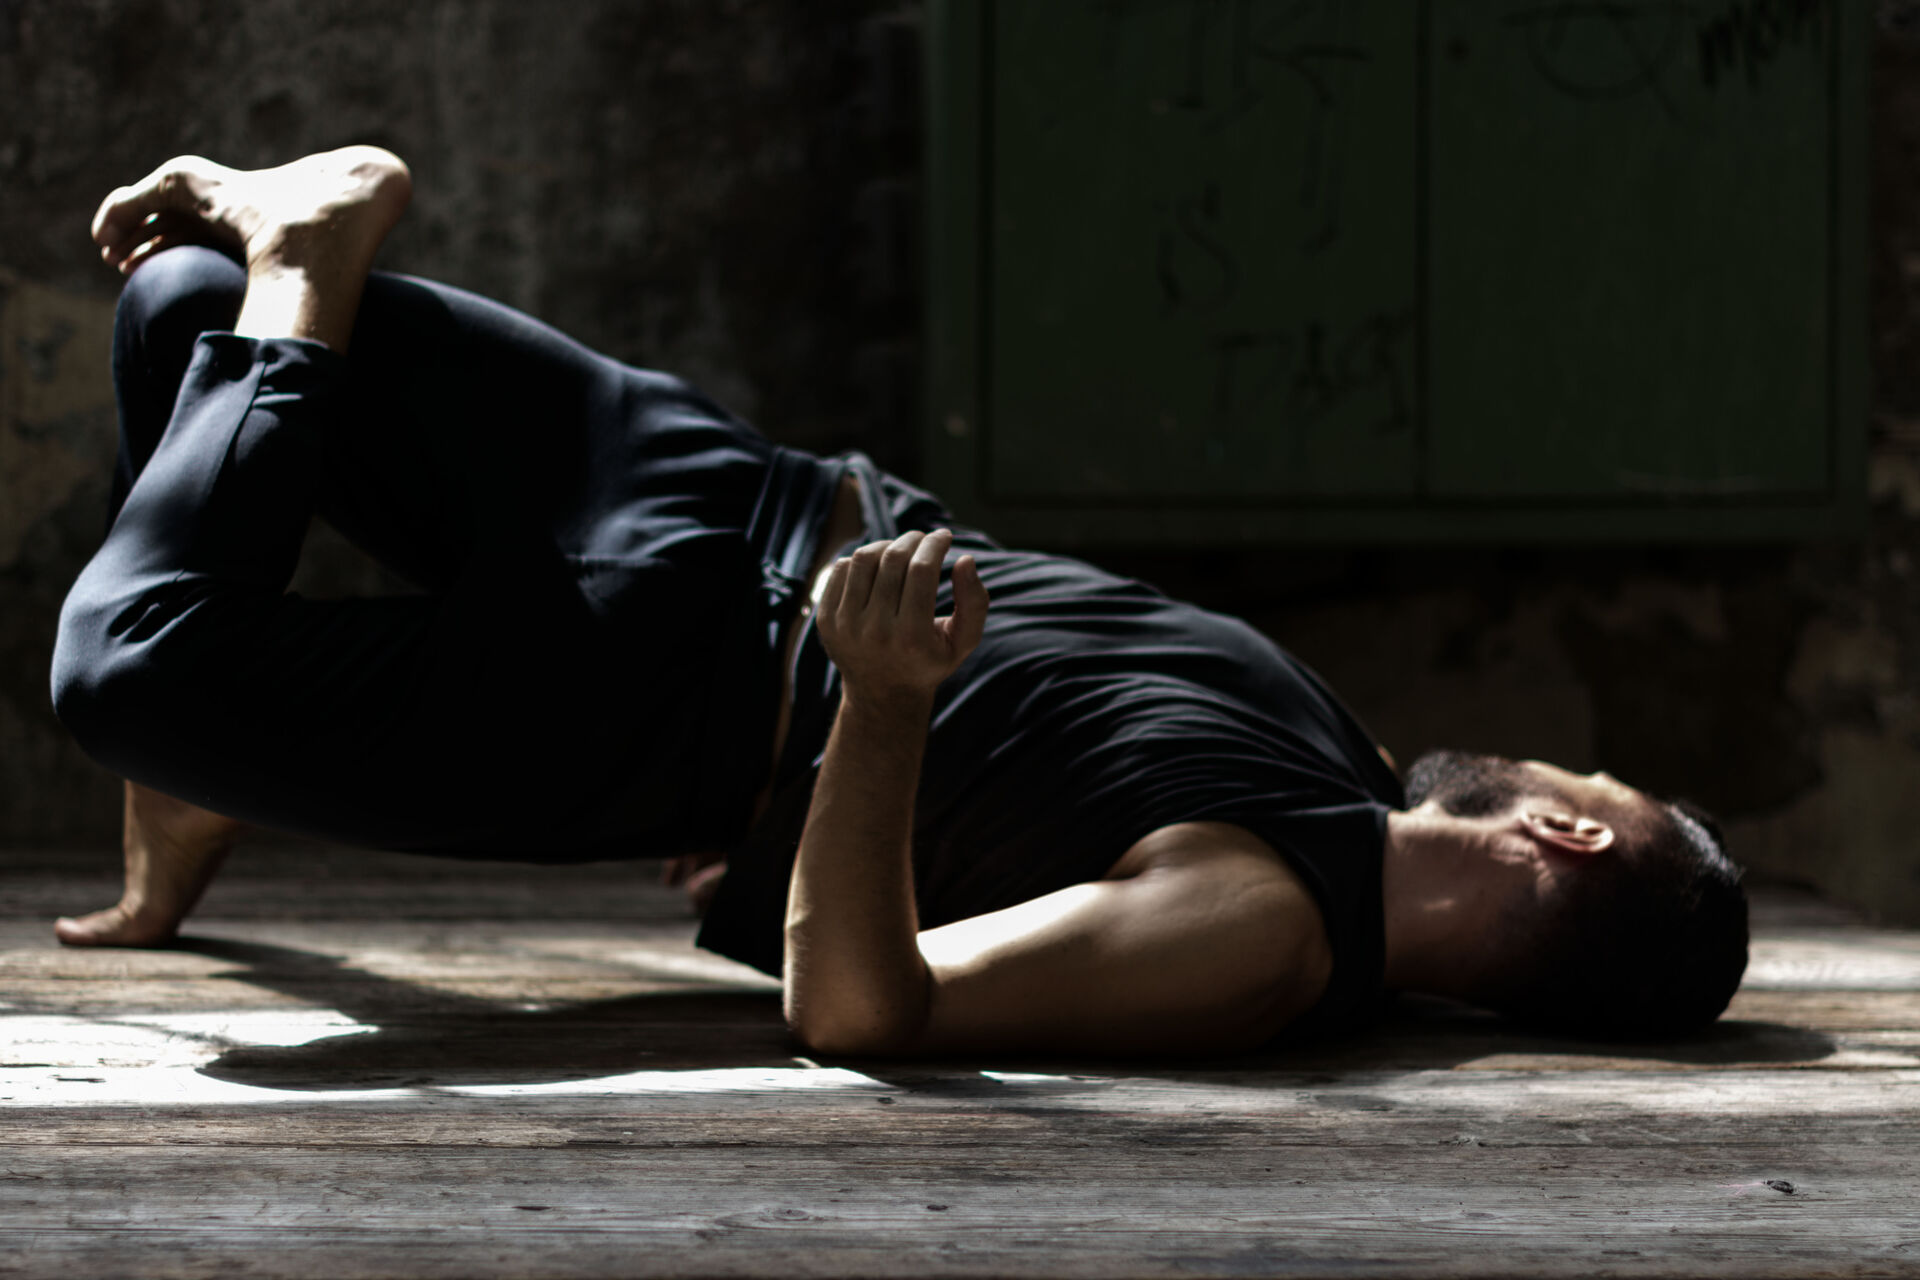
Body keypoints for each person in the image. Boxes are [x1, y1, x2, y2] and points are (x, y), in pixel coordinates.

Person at [48, 147, 1749, 1056]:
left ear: (1571, 840)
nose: (1542, 759)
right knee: (171, 478)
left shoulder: (1273, 924)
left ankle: (293, 288)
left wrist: (861, 726)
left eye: (1583, 781)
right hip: (691, 603)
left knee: (187, 337)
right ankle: (287, 312)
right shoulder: (1329, 775)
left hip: (692, 575)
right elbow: (1012, 774)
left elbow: (867, 1010)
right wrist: (831, 801)